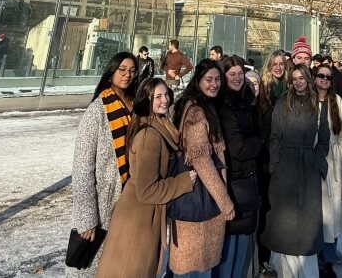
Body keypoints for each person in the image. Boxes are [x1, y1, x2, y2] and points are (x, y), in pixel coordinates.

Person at [97, 78, 196, 278]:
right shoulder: (149, 137)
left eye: (166, 94)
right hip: (138, 220)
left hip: (144, 215)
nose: (165, 100)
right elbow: (147, 190)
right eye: (157, 97)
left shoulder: (158, 126)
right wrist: (183, 182)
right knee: (131, 270)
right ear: (146, 100)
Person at [67, 51, 137, 277]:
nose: (127, 75)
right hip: (104, 201)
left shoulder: (136, 105)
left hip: (131, 196)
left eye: (132, 71)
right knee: (93, 266)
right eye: (122, 70)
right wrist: (86, 217)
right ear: (111, 72)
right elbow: (82, 168)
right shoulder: (97, 110)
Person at [262, 64, 330, 278]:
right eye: (295, 78)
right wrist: (275, 165)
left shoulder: (318, 104)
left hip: (309, 167)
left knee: (307, 226)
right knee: (285, 225)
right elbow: (275, 136)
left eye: (302, 77)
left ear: (309, 79)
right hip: (286, 167)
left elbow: (325, 137)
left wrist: (318, 162)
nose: (299, 81)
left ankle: (308, 273)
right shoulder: (283, 102)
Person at [169, 59, 235, 278]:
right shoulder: (197, 112)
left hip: (198, 197)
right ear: (198, 81)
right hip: (201, 200)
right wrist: (225, 202)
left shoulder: (194, 105)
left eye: (217, 79)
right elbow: (202, 161)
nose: (214, 84)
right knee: (195, 268)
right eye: (209, 80)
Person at [216, 55, 263, 278]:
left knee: (241, 247)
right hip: (235, 180)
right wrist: (260, 142)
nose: (237, 78)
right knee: (230, 247)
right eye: (231, 74)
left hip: (247, 178)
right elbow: (238, 148)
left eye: (240, 74)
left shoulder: (245, 100)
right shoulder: (226, 106)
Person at [257, 50, 289, 278]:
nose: (278, 67)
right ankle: (262, 259)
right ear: (269, 66)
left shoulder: (290, 91)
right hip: (265, 158)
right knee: (265, 210)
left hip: (285, 158)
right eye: (274, 64)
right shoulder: (262, 91)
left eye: (282, 64)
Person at [314, 63, 342, 278]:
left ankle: (328, 260)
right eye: (321, 76)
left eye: (328, 77)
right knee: (317, 213)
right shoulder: (308, 100)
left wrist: (340, 157)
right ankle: (316, 257)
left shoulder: (337, 101)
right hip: (314, 160)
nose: (324, 79)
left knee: (332, 214)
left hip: (333, 161)